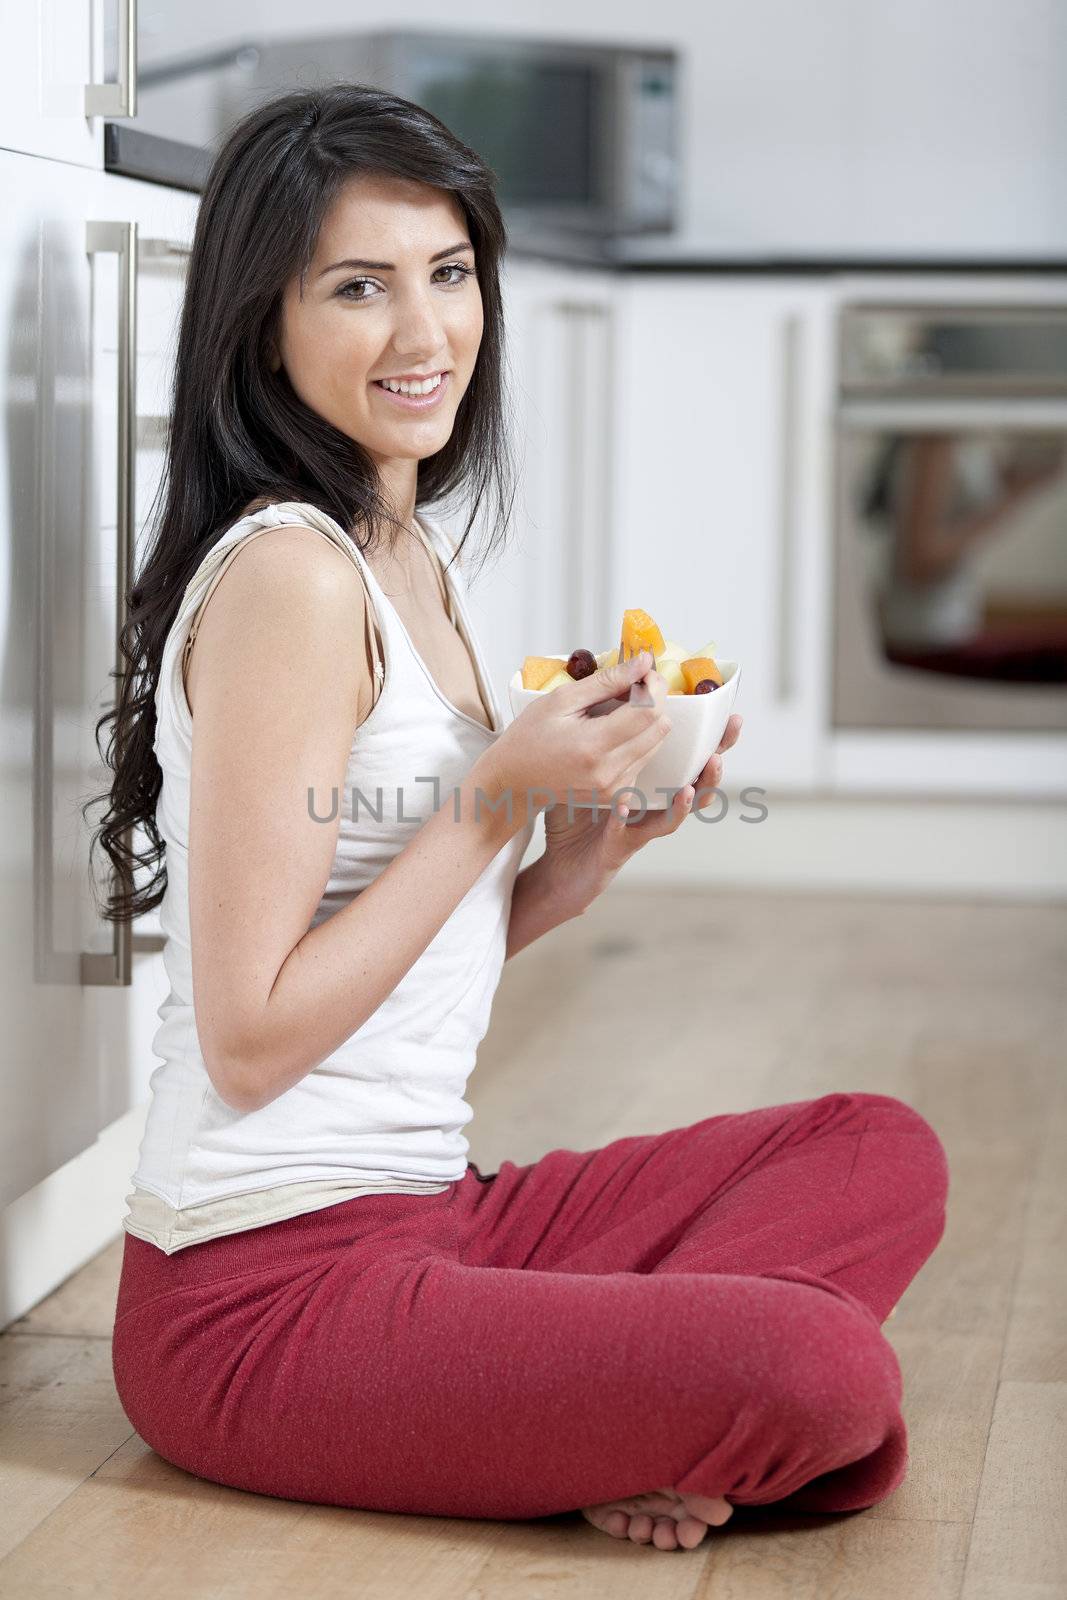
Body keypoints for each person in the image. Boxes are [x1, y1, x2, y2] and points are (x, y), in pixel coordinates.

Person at [91, 85, 950, 1553]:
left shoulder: (403, 544)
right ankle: (616, 1392)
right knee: (822, 1374)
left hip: (433, 1213)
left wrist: (572, 863)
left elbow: (395, 949)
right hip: (255, 1300)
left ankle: (580, 1390)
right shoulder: (292, 581)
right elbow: (248, 1035)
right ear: (262, 320)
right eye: (359, 287)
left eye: (450, 274)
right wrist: (498, 801)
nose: (426, 336)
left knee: (878, 1146)